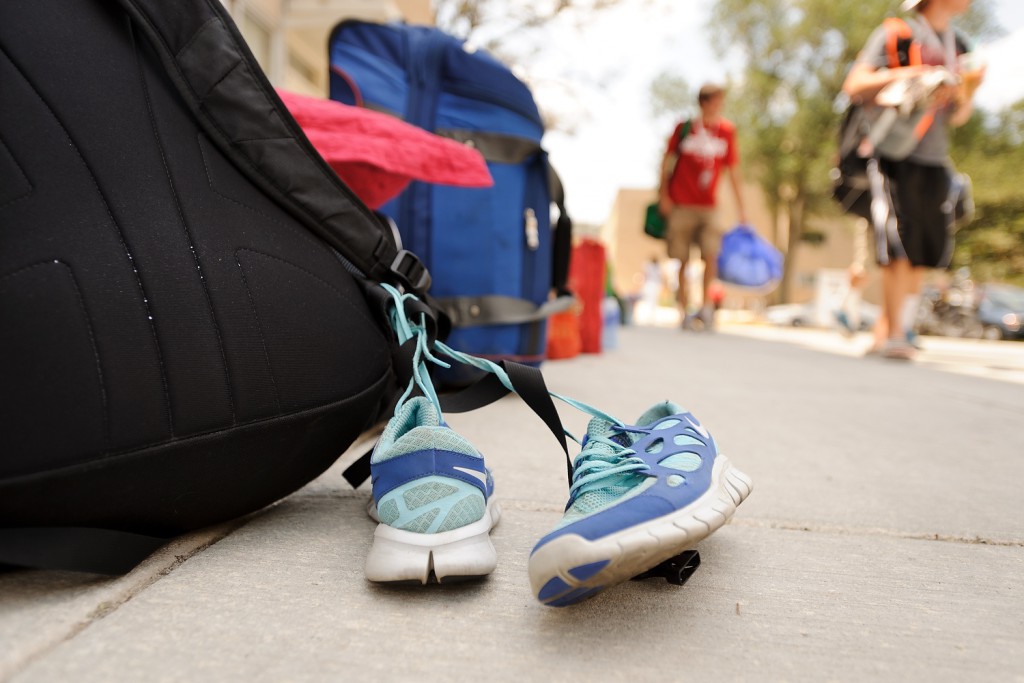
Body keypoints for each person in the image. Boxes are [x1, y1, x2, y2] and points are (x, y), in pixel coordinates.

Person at [842, 0, 984, 359]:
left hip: (934, 155)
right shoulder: (897, 34)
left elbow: (957, 117)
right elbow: (855, 84)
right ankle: (892, 335)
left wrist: (968, 89)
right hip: (894, 151)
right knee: (898, 242)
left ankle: (898, 330)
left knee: (923, 248)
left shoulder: (958, 46)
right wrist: (914, 74)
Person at [658, 83, 747, 331]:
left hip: (710, 206)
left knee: (711, 254)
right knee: (682, 259)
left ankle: (706, 308)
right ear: (704, 103)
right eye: (716, 101)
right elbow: (666, 162)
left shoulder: (727, 131)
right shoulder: (684, 128)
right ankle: (683, 310)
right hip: (681, 203)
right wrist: (663, 195)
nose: (720, 106)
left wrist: (742, 209)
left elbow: (734, 172)